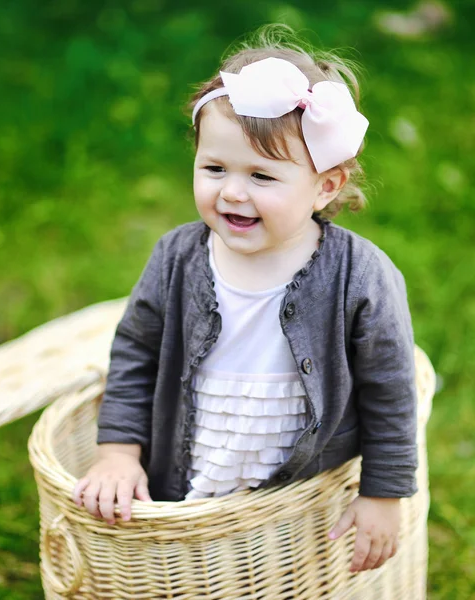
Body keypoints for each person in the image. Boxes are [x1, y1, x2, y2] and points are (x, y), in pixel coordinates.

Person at [73, 25, 417, 575]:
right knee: (196, 574)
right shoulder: (177, 257)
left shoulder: (360, 275)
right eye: (215, 168)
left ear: (325, 186)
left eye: (261, 175)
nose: (232, 191)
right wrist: (118, 452)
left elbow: (390, 389)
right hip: (192, 464)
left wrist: (383, 494)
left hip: (302, 496)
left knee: (278, 576)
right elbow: (135, 354)